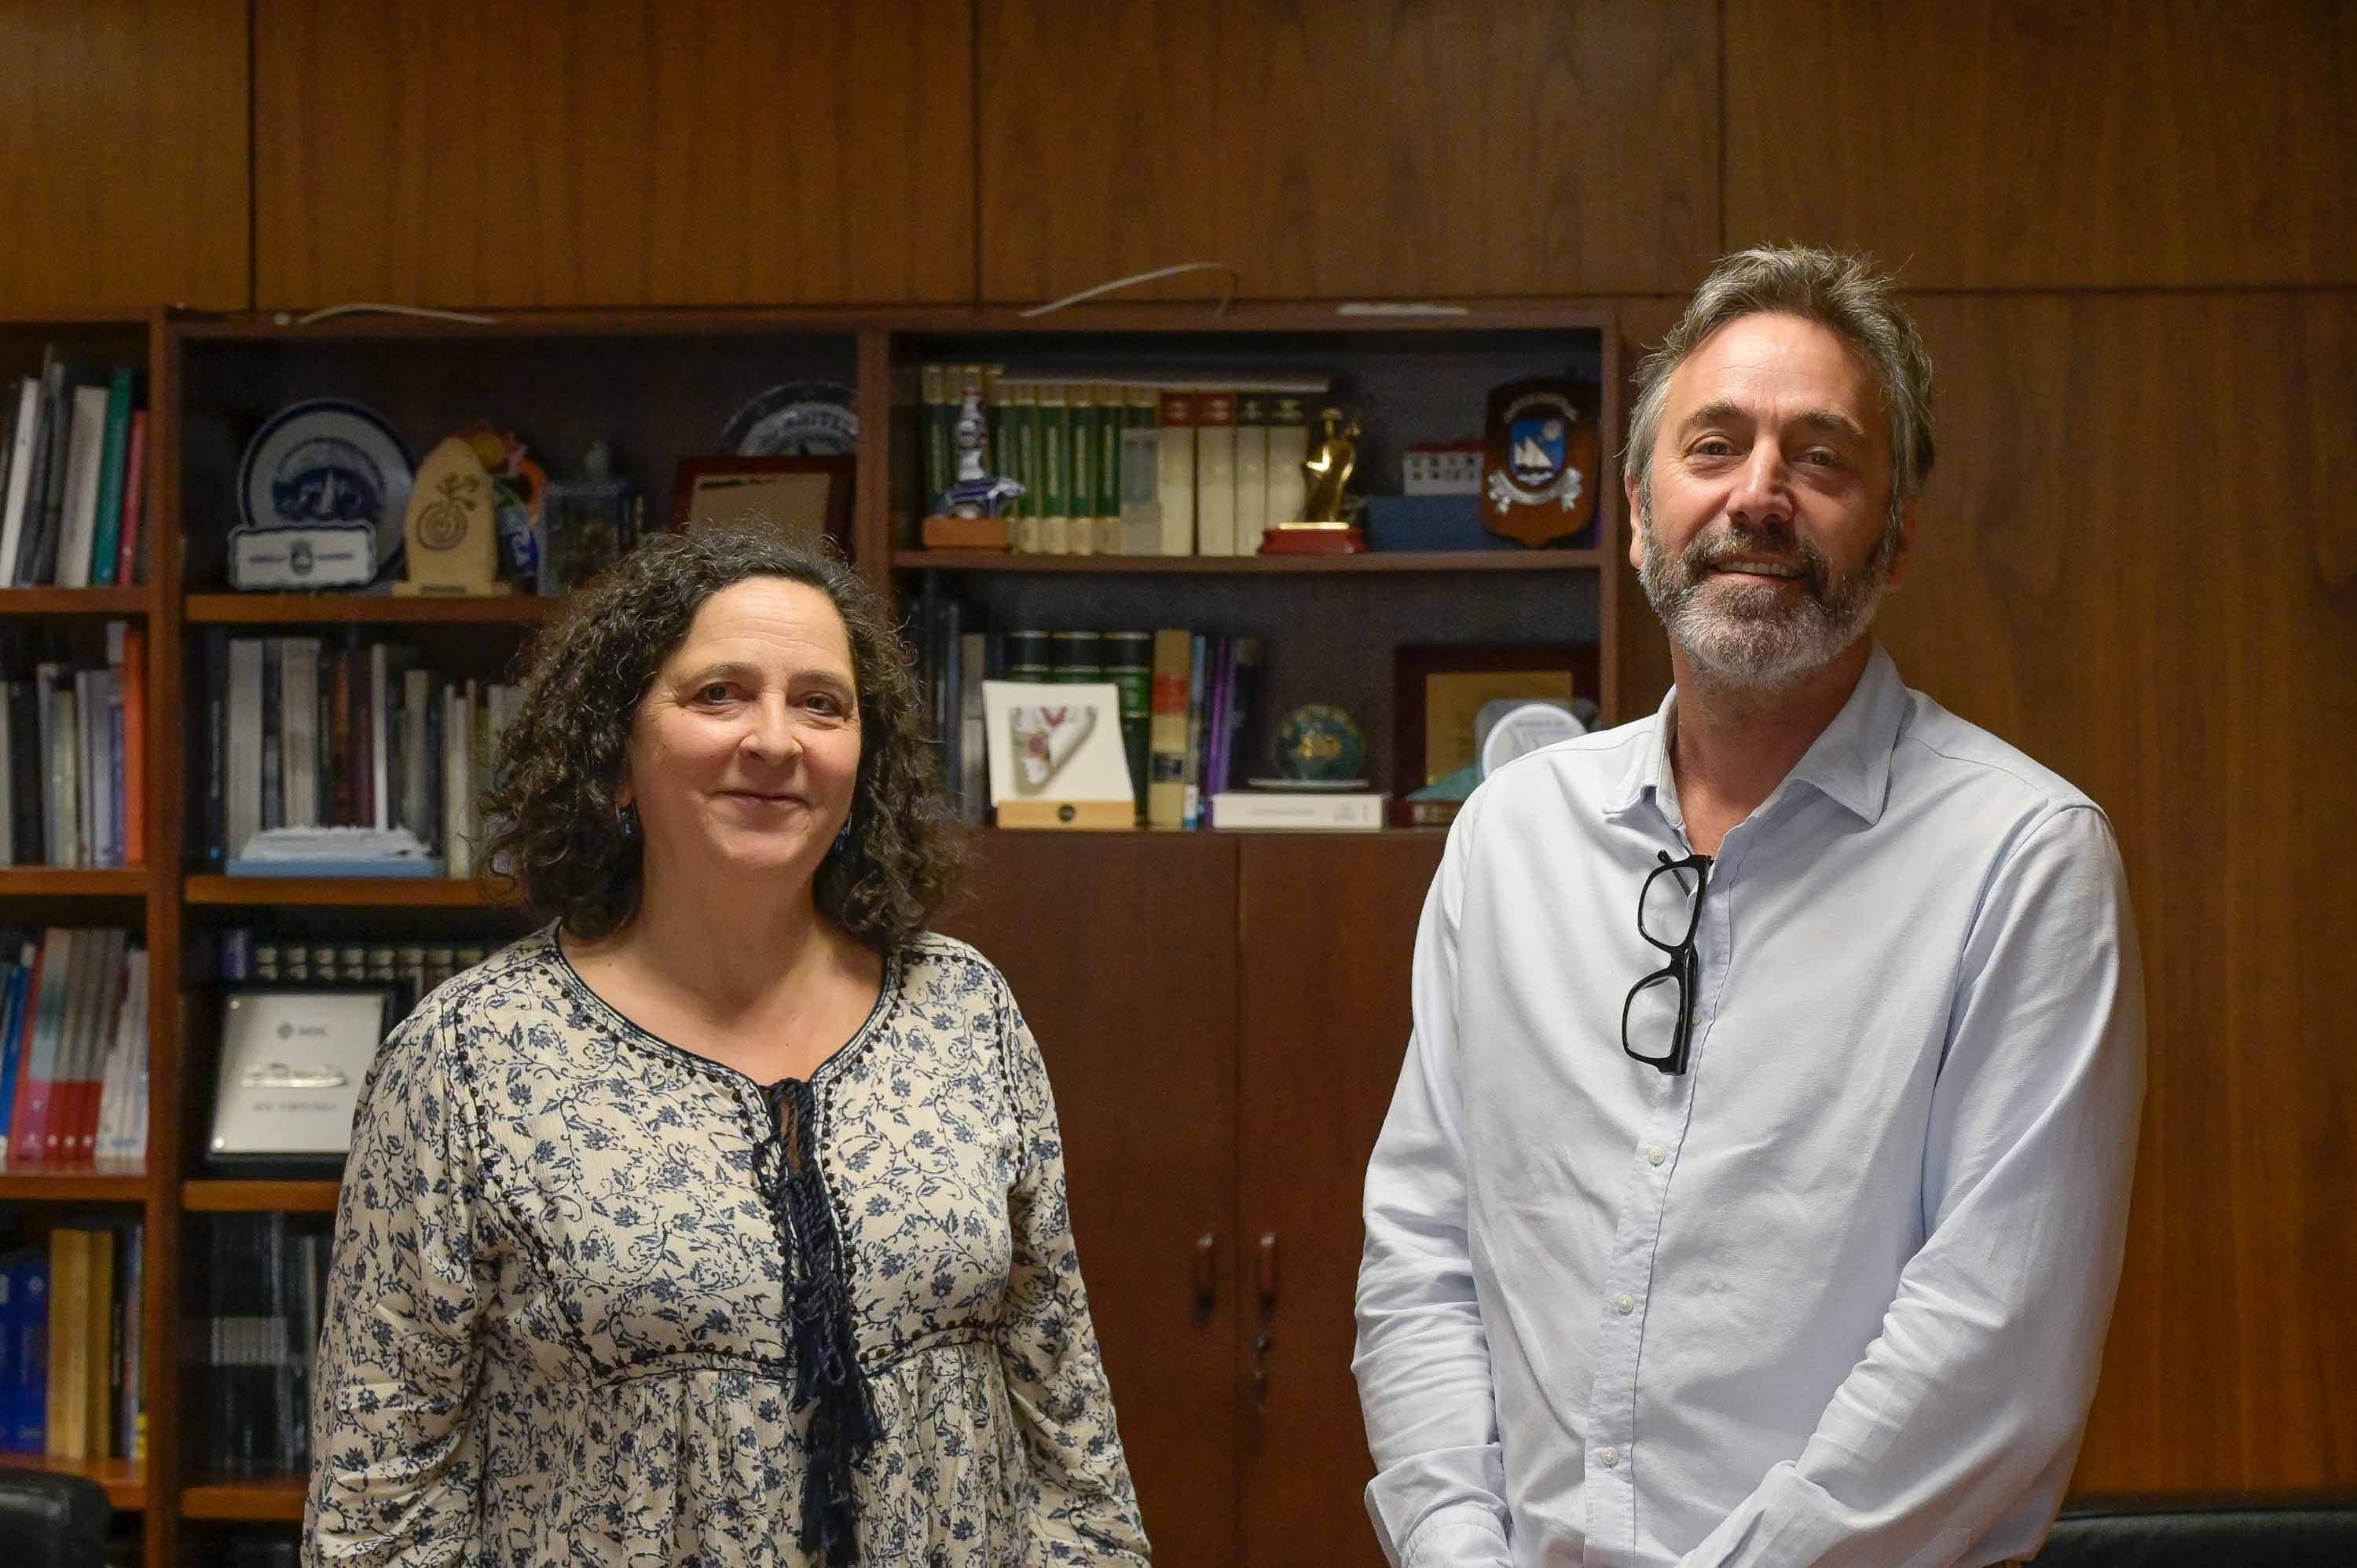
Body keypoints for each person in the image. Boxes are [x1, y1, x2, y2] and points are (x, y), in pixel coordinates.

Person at [1353, 245, 2145, 1568]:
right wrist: (1453, 1548)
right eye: (1714, 447)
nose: (1759, 496)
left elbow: (1992, 1346)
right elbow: (1423, 1253)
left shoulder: (2022, 859)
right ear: (1637, 508)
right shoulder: (1510, 840)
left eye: (1821, 460)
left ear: (1898, 534)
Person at [303, 526, 1150, 1566]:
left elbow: (1070, 1430)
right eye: (719, 694)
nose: (776, 741)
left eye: (821, 704)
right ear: (616, 756)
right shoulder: (466, 1059)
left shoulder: (963, 1009)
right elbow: (379, 1505)